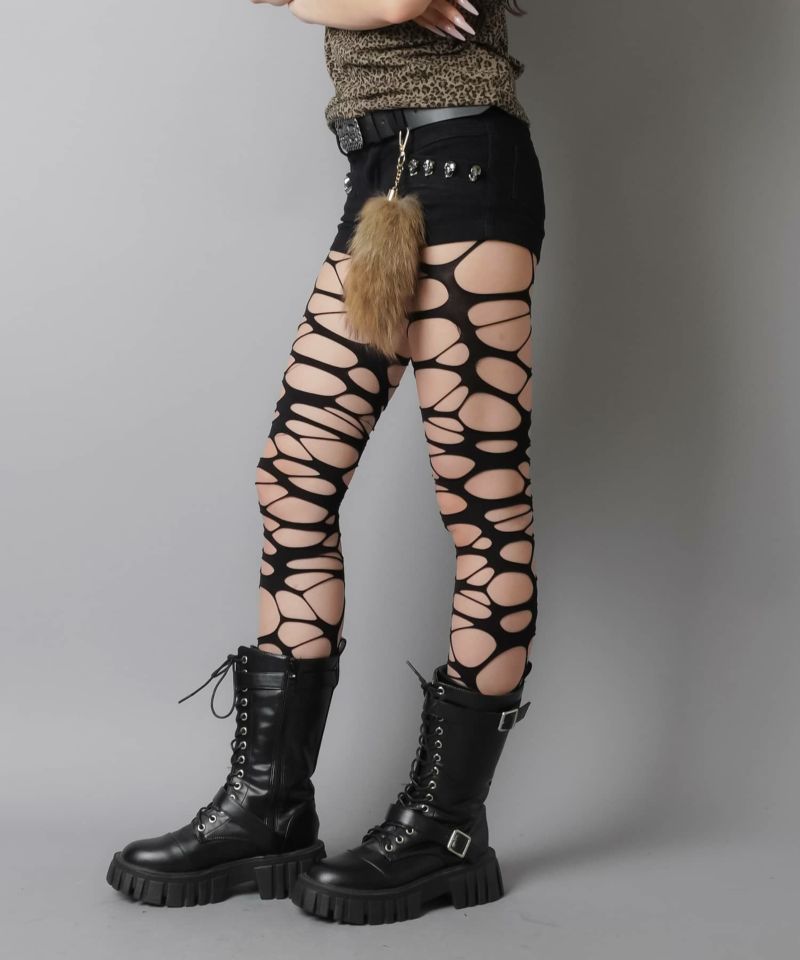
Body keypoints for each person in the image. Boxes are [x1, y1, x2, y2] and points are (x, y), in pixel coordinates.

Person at [106, 0, 545, 925]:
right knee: (295, 480)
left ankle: (447, 828)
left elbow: (389, 4)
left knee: (484, 507)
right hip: (380, 178)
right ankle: (270, 809)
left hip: (466, 164)